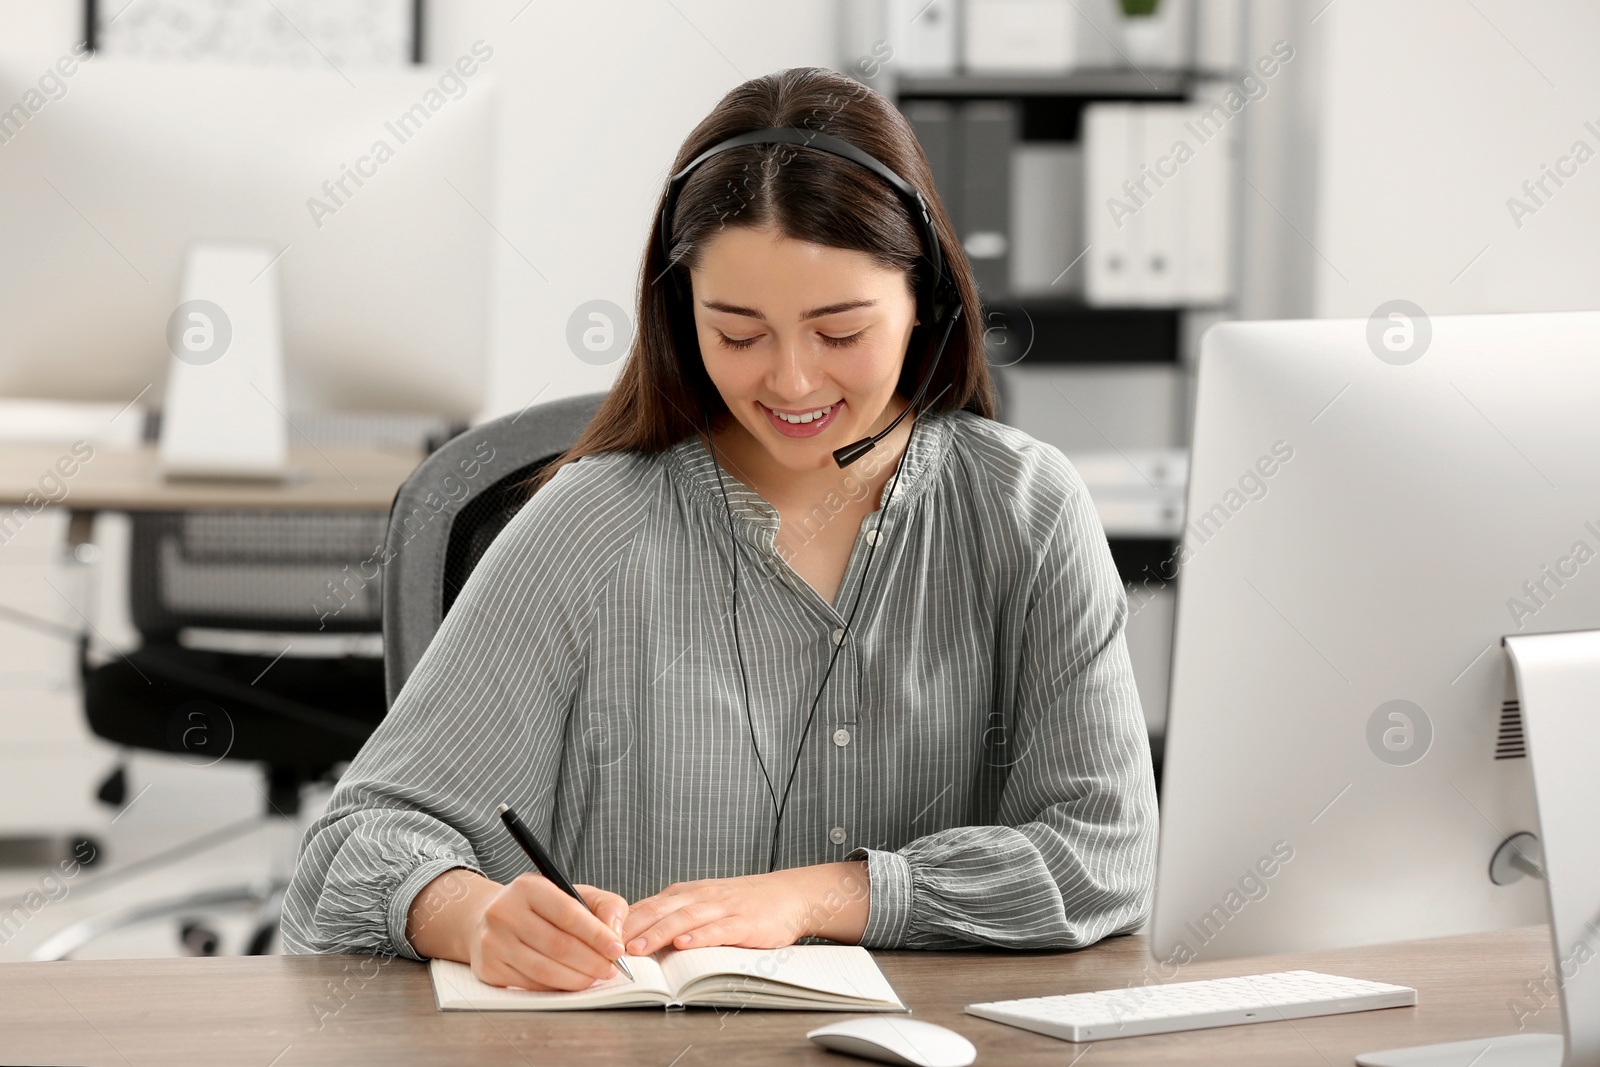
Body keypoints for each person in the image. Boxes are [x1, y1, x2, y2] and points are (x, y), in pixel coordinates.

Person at [280, 66, 1157, 993]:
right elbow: (347, 856)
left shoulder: (1024, 509)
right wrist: (469, 912)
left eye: (840, 331)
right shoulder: (592, 523)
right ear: (680, 312)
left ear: (924, 298)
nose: (791, 381)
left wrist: (822, 896)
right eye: (739, 334)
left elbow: (1102, 854)